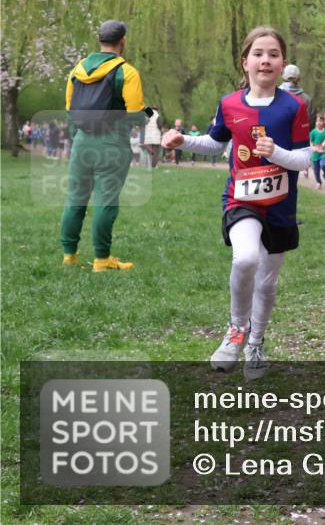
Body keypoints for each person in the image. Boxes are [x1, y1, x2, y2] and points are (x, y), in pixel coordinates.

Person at [161, 26, 311, 379]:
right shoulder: (229, 103)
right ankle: (235, 332)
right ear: (245, 62)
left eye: (273, 54)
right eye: (258, 53)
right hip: (241, 199)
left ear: (283, 63)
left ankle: (256, 343)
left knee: (267, 282)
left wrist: (277, 153)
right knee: (245, 259)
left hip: (280, 205)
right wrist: (183, 140)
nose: (266, 60)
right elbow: (216, 143)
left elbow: (304, 160)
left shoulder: (294, 107)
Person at [60, 20, 149, 272]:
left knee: (75, 198)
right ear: (123, 41)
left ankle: (69, 255)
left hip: (81, 143)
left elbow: (69, 110)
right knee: (105, 200)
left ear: (99, 40)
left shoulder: (76, 71)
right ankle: (101, 259)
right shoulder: (127, 72)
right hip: (112, 143)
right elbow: (135, 116)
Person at [309, 115, 325, 188]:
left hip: (324, 152)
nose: (319, 123)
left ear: (323, 122)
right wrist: (313, 148)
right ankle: (318, 182)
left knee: (324, 164)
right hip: (315, 153)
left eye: (321, 121)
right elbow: (311, 142)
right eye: (317, 121)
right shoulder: (313, 132)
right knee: (316, 170)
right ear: (315, 123)